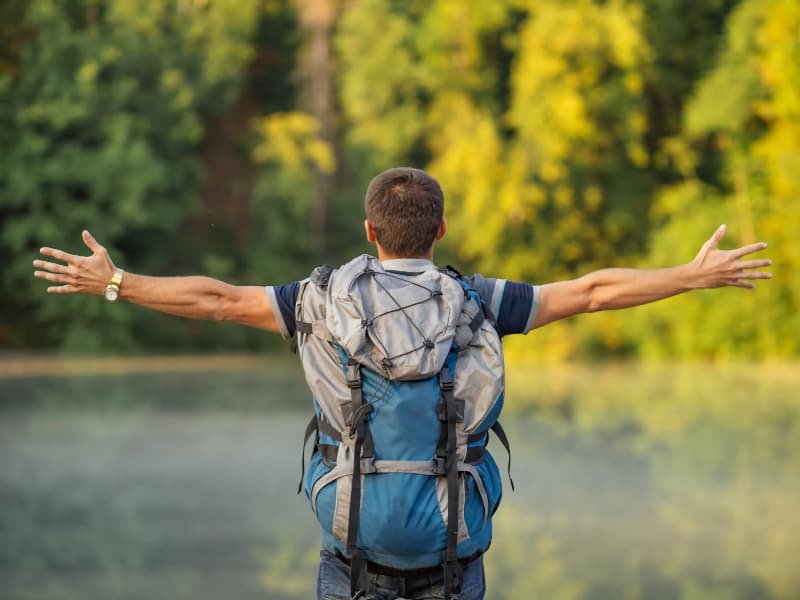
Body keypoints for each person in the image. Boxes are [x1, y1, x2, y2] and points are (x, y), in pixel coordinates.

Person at [33, 167, 771, 600]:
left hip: (351, 557)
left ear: (370, 231)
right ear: (439, 231)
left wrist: (118, 283)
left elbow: (218, 299)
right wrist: (693, 275)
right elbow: (592, 291)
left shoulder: (321, 304)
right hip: (455, 557)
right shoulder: (478, 302)